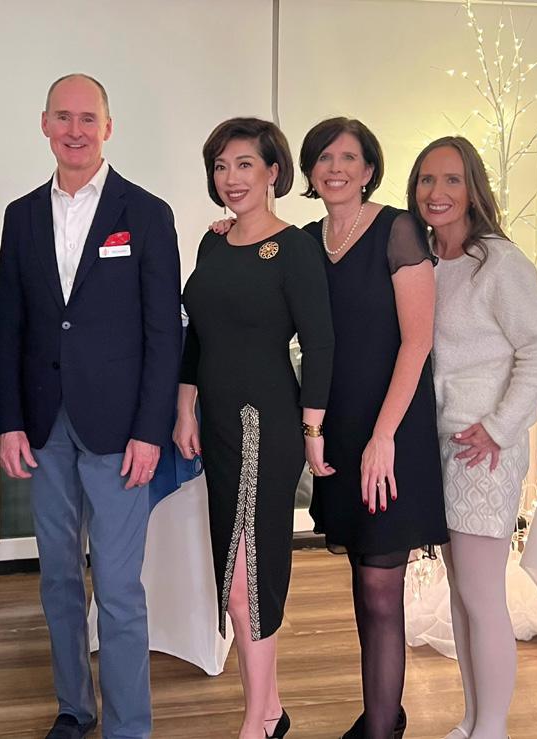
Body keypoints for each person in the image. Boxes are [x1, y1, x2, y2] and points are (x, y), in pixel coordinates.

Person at [0, 74, 182, 739]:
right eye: (63, 117)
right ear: (45, 124)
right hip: (44, 427)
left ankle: (129, 727)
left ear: (108, 127)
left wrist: (151, 430)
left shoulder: (146, 213)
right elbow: (7, 327)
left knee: (120, 589)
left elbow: (164, 333)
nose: (75, 130)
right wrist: (8, 420)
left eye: (87, 118)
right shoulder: (20, 215)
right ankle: (75, 708)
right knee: (58, 579)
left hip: (121, 431)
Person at [175, 117, 335, 739]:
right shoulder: (212, 243)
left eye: (244, 164)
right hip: (215, 423)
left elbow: (320, 344)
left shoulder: (295, 248)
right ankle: (269, 710)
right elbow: (197, 335)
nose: (231, 177)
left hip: (263, 424)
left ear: (274, 171)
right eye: (221, 166)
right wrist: (185, 407)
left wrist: (313, 430)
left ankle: (256, 722)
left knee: (248, 581)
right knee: (234, 576)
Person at [299, 117, 448, 739]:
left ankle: (383, 728)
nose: (335, 168)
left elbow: (417, 341)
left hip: (392, 430)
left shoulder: (398, 229)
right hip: (338, 429)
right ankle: (381, 712)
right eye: (324, 158)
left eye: (348, 158)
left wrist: (383, 437)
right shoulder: (305, 242)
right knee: (363, 582)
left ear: (368, 169)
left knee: (382, 589)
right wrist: (228, 230)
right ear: (309, 171)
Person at [407, 136, 537, 739]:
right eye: (426, 180)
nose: (437, 192)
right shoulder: (425, 260)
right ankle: (472, 719)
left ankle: (492, 728)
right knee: (461, 595)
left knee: (481, 594)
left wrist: (499, 427)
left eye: (451, 180)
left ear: (473, 189)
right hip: (438, 444)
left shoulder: (500, 262)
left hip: (482, 449)